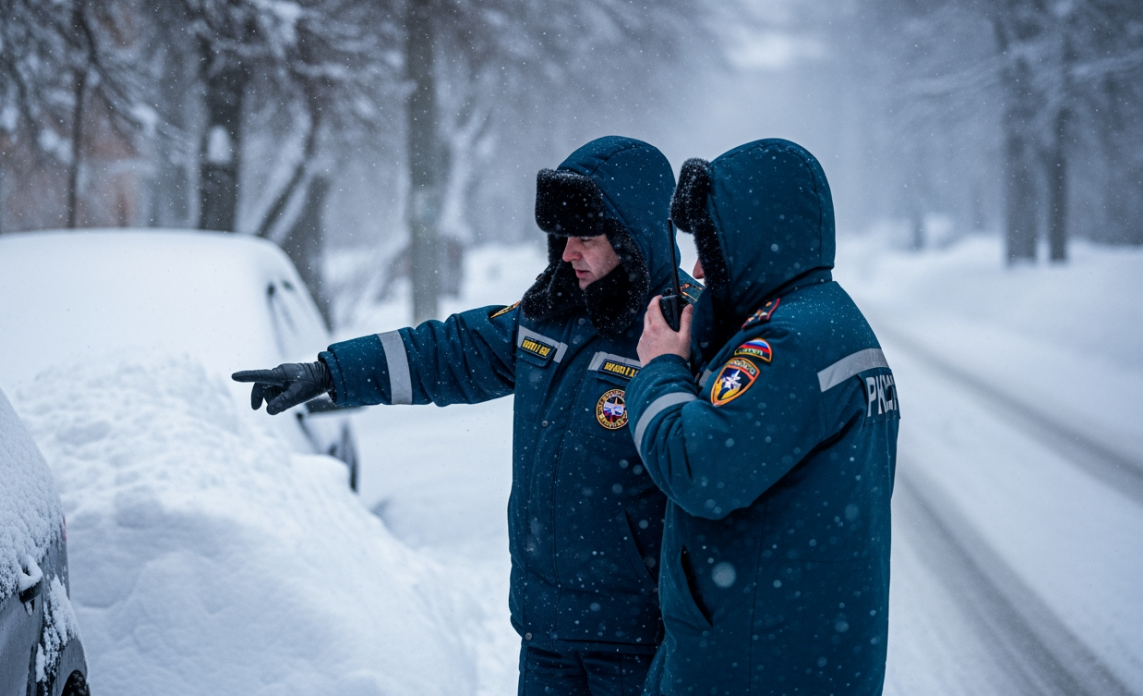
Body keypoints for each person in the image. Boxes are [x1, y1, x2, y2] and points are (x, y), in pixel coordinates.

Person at [233, 136, 689, 696]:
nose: (569, 253)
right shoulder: (549, 315)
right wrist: (331, 372)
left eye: (587, 238)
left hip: (639, 641)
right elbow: (447, 352)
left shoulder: (681, 333)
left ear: (634, 236)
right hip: (545, 635)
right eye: (563, 237)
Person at [627, 139, 899, 696]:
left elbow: (699, 469)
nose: (698, 267)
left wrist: (659, 369)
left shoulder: (788, 344)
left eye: (710, 246)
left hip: (755, 661)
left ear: (752, 241)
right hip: (803, 650)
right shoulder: (832, 319)